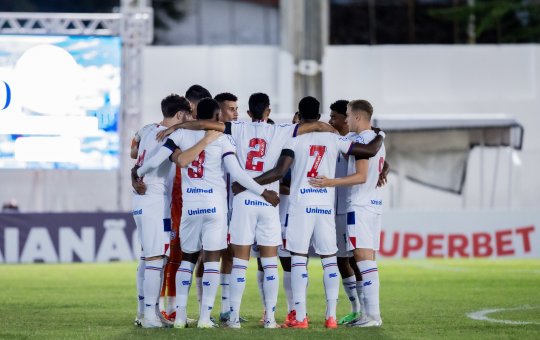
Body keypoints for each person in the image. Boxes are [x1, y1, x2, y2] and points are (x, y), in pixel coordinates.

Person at [234, 96, 384, 329]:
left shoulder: (294, 138)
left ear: (299, 115)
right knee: (329, 260)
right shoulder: (334, 138)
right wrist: (381, 135)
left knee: (298, 260)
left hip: (301, 205)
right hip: (325, 205)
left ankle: (301, 317)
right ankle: (331, 317)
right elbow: (366, 150)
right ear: (320, 114)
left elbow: (279, 170)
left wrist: (246, 183)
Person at [137, 98, 280, 328]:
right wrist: (264, 192)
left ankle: (180, 317)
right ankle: (205, 318)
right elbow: (237, 173)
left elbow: (157, 159)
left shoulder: (180, 136)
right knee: (212, 261)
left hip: (190, 207)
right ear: (215, 117)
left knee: (186, 262)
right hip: (215, 208)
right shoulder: (222, 139)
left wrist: (138, 172)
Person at [130, 94, 220, 328]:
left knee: (148, 256)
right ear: (180, 115)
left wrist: (134, 172)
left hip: (144, 200)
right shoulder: (168, 136)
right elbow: (153, 161)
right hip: (154, 199)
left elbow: (134, 151)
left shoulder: (148, 129)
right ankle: (149, 316)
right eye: (188, 116)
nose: (191, 121)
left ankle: (146, 312)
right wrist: (139, 173)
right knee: (155, 258)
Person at [310, 99, 386, 327]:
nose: (346, 119)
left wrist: (329, 182)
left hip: (360, 206)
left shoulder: (362, 139)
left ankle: (373, 316)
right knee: (366, 260)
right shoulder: (373, 138)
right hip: (373, 204)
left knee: (363, 261)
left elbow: (361, 176)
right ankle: (367, 314)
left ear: (358, 117)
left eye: (349, 115)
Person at [159, 85, 213, 321]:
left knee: (188, 256)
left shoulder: (195, 130)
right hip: (173, 200)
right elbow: (138, 151)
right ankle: (163, 309)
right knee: (171, 256)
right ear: (191, 107)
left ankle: (178, 310)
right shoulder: (176, 132)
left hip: (190, 199)